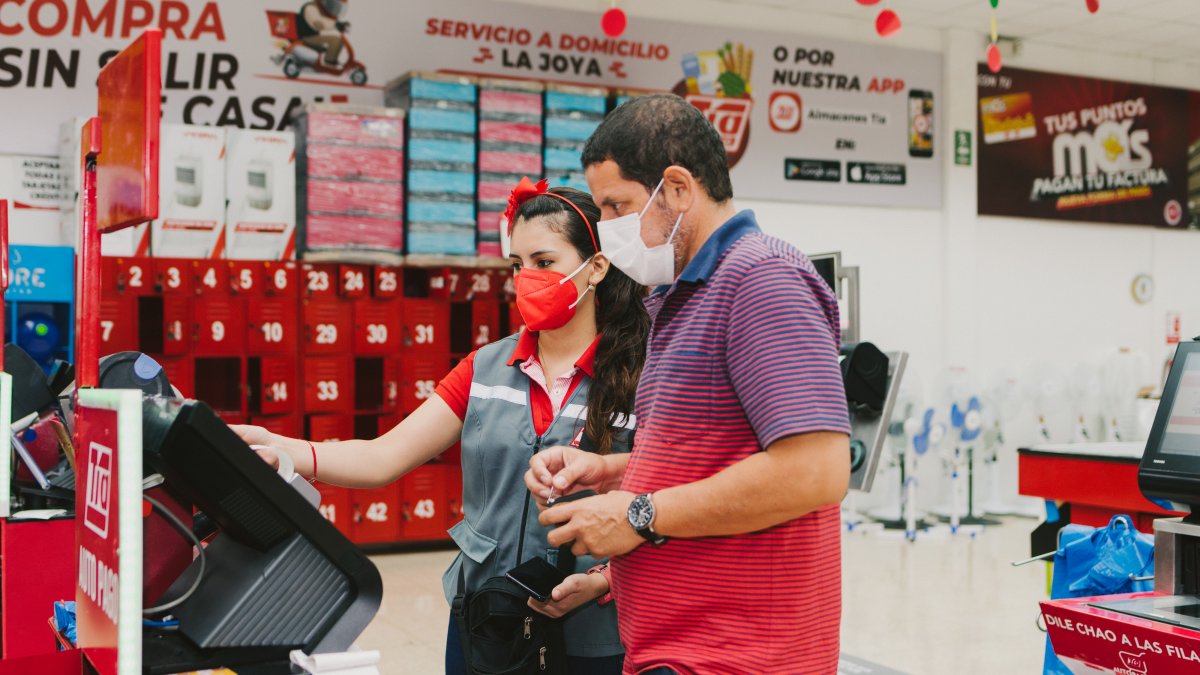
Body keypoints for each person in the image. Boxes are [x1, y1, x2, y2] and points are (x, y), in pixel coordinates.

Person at [233, 180, 648, 675]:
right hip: (484, 620)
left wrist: (603, 579)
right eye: (517, 265)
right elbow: (383, 456)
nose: (526, 279)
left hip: (593, 631)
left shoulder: (642, 374)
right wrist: (283, 447)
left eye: (543, 262)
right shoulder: (485, 369)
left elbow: (670, 496)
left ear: (595, 267)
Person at [525, 94, 852, 674]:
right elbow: (721, 455)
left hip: (742, 655)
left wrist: (637, 515)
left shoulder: (761, 279)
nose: (607, 229)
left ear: (676, 188)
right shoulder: (680, 299)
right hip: (679, 647)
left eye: (616, 205)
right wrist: (611, 473)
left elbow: (815, 471)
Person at [296, 0, 348, 67]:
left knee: (337, 40)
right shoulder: (310, 7)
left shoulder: (318, 8)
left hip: (311, 36)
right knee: (335, 40)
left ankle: (329, 61)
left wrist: (338, 24)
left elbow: (325, 20)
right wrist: (335, 24)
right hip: (307, 37)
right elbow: (318, 22)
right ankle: (329, 63)